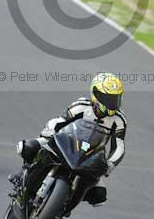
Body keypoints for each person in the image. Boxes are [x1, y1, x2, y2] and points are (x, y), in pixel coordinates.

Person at [10, 72, 126, 207]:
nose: (112, 103)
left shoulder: (119, 120)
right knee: (27, 147)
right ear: (96, 95)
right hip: (68, 142)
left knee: (99, 196)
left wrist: (110, 165)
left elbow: (119, 146)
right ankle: (23, 172)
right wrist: (48, 134)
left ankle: (67, 205)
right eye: (108, 99)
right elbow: (60, 121)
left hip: (91, 155)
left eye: (115, 99)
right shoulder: (82, 106)